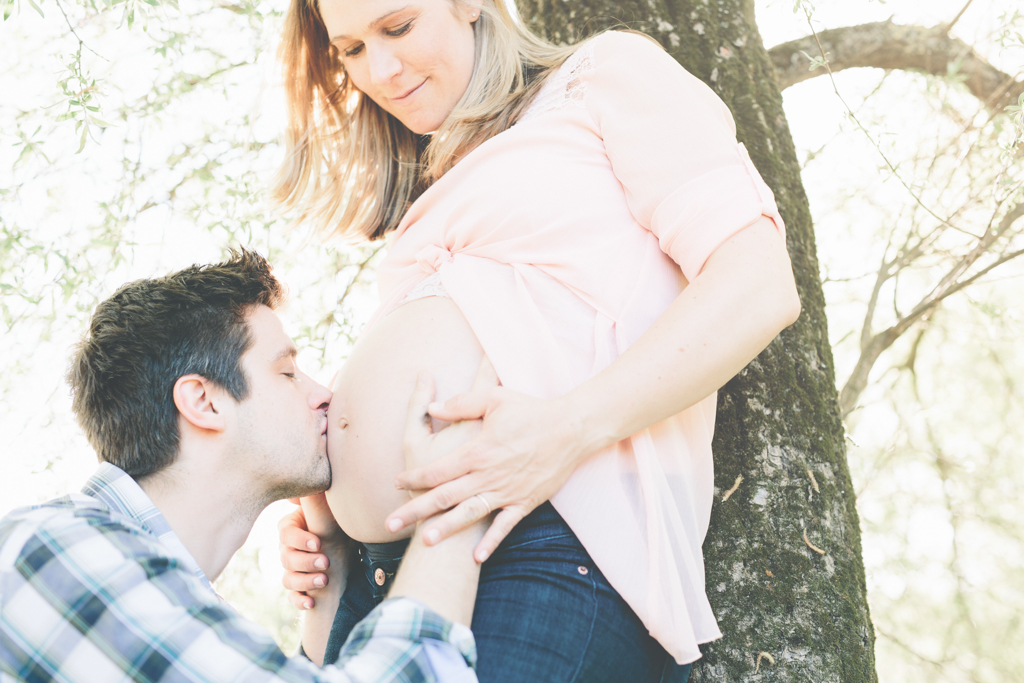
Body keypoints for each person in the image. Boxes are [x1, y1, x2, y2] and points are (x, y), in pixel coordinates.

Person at [274, 1, 801, 680]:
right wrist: (337, 523)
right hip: (384, 579)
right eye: (349, 50)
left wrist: (566, 430)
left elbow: (758, 282)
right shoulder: (428, 189)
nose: (379, 69)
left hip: (545, 541)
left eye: (398, 28)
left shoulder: (606, 75)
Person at [0, 250, 496, 683]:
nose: (324, 395)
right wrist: (454, 497)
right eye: (286, 372)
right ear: (205, 402)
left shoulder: (158, 599)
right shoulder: (53, 552)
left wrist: (332, 554)